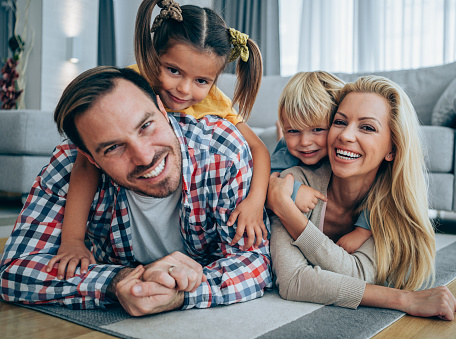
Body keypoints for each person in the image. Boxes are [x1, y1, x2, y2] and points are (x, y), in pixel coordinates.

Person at [0, 66, 272, 316]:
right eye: (113, 147)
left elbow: (255, 261)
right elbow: (14, 272)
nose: (144, 157)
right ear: (91, 158)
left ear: (163, 111)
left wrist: (180, 295)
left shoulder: (221, 150)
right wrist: (118, 281)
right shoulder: (71, 164)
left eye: (146, 126)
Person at [50, 0, 271, 280]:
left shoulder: (216, 104)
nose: (183, 88)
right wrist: (72, 240)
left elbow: (258, 148)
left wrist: (254, 202)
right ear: (154, 56)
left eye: (202, 80)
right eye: (173, 70)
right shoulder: (128, 88)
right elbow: (84, 165)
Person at [267, 75, 456, 320]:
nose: (346, 136)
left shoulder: (388, 208)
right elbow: (293, 280)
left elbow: (358, 273)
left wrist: (286, 210)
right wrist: (404, 299)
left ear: (393, 148)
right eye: (340, 121)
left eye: (367, 127)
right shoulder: (295, 181)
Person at [271, 71, 372, 254]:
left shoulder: (350, 156)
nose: (305, 142)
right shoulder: (287, 152)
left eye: (317, 129)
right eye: (293, 131)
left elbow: (377, 189)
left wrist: (362, 231)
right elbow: (267, 181)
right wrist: (294, 190)